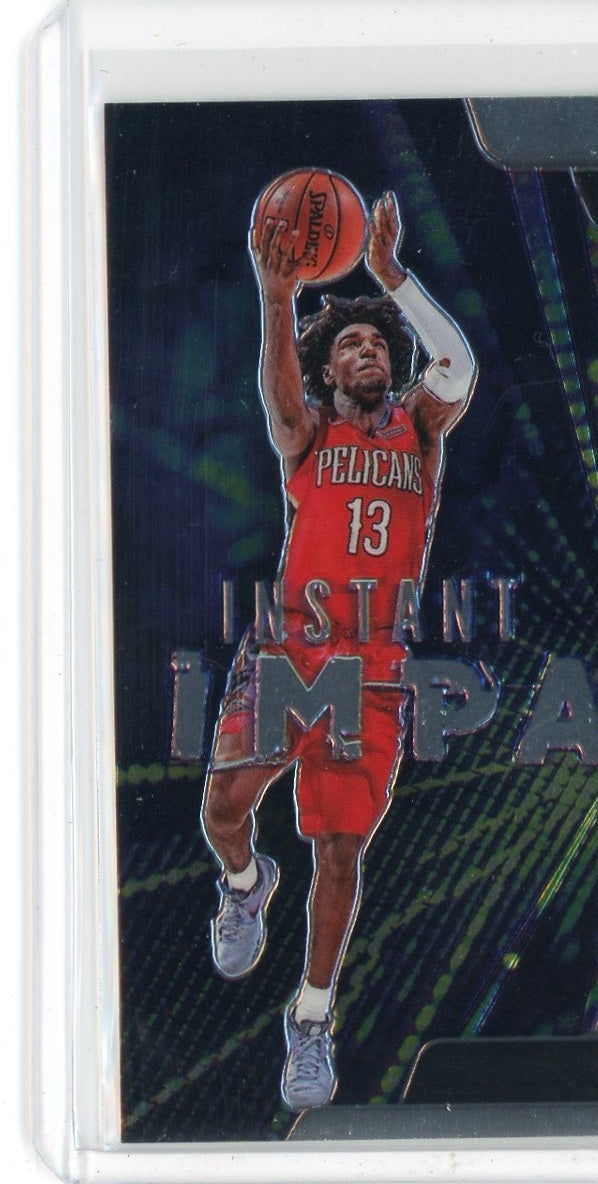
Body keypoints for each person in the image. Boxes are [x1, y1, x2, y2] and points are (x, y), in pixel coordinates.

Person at [200, 190, 476, 1112]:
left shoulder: (419, 429)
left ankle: (311, 1017)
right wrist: (277, 296)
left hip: (374, 668)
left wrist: (393, 277)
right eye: (350, 345)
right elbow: (280, 404)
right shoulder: (310, 434)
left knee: (342, 851)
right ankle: (246, 883)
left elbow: (457, 363)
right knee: (223, 803)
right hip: (292, 649)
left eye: (377, 344)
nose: (368, 351)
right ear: (327, 367)